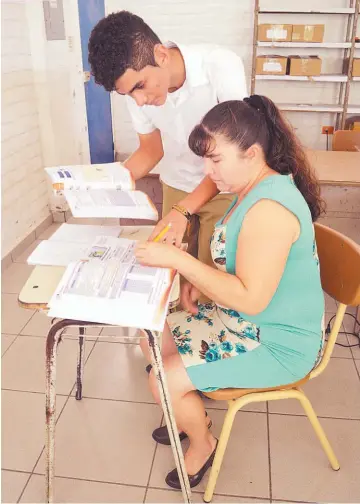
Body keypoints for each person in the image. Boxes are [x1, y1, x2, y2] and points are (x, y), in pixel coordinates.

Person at [135, 95, 325, 490]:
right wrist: (196, 282)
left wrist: (180, 263)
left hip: (275, 342)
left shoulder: (271, 208)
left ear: (252, 153)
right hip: (242, 320)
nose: (207, 171)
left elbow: (252, 298)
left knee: (162, 380)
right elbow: (240, 267)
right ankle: (190, 410)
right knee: (151, 332)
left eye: (215, 160)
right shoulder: (249, 188)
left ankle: (203, 442)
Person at [88, 10, 247, 267]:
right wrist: (103, 183)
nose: (139, 100)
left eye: (140, 86)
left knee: (211, 276)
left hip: (224, 189)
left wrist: (183, 210)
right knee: (171, 275)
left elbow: (232, 157)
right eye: (128, 94)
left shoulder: (220, 66)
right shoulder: (138, 94)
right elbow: (150, 151)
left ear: (161, 55)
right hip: (176, 186)